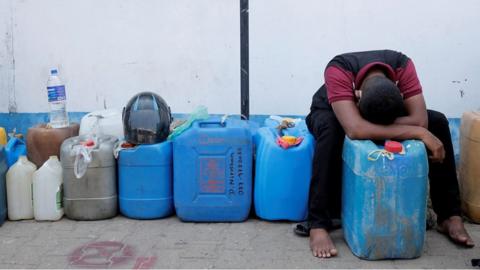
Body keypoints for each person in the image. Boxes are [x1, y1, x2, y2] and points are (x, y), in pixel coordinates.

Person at [302, 49, 475, 258]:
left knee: (437, 122)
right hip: (331, 111)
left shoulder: (403, 65)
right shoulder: (338, 69)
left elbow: (421, 119)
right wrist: (419, 132)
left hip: (377, 110)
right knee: (331, 130)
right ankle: (318, 224)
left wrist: (421, 128)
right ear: (359, 93)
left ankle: (449, 216)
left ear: (397, 87)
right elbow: (355, 129)